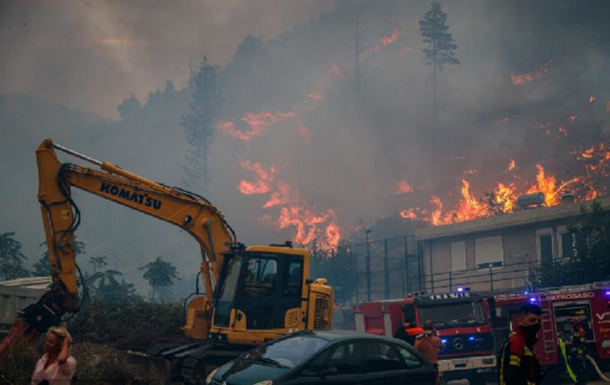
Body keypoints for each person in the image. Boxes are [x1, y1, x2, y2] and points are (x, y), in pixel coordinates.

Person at [498, 303, 543, 385]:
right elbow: (511, 376)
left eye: (539, 321)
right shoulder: (516, 342)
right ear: (520, 320)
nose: (536, 324)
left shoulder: (525, 342)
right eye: (532, 320)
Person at [569, 318, 587, 385]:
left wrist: (579, 353)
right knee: (575, 367)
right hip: (575, 353)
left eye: (573, 323)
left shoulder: (581, 331)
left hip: (579, 353)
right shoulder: (575, 331)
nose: (572, 325)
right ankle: (579, 381)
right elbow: (574, 342)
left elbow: (582, 344)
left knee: (580, 368)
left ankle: (582, 382)